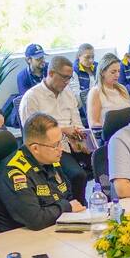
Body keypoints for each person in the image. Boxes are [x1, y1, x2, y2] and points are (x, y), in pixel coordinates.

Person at [0, 113, 86, 232]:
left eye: (61, 141)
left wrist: (69, 206)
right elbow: (35, 219)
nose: (61, 148)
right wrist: (67, 207)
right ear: (35, 148)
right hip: (18, 238)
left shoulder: (51, 160)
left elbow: (67, 195)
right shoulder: (15, 172)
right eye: (55, 145)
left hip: (51, 229)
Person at [18, 56, 90, 204]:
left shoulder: (68, 92)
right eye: (64, 77)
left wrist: (80, 135)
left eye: (69, 78)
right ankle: (77, 208)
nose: (67, 82)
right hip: (52, 147)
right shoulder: (32, 98)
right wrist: (64, 131)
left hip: (73, 142)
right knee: (78, 175)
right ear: (51, 73)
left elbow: (76, 120)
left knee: (104, 159)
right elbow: (32, 135)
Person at [86, 53, 130, 129]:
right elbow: (93, 124)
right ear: (102, 72)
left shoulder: (122, 88)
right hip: (110, 135)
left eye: (119, 71)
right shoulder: (96, 92)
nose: (117, 75)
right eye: (113, 72)